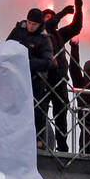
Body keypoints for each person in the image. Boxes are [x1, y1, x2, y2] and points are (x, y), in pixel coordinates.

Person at [7, 8, 54, 146]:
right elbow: (7, 46)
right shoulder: (18, 31)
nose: (30, 26)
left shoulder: (44, 40)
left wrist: (28, 63)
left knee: (36, 111)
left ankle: (38, 140)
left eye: (34, 24)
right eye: (29, 22)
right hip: (15, 79)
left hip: (34, 81)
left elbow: (49, 62)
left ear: (40, 25)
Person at [44, 0, 84, 151]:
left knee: (61, 114)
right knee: (41, 111)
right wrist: (61, 13)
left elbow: (76, 27)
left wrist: (78, 7)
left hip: (60, 79)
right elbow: (47, 25)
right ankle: (40, 142)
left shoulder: (59, 34)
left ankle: (62, 145)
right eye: (47, 17)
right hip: (44, 79)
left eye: (51, 17)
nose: (51, 19)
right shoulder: (40, 32)